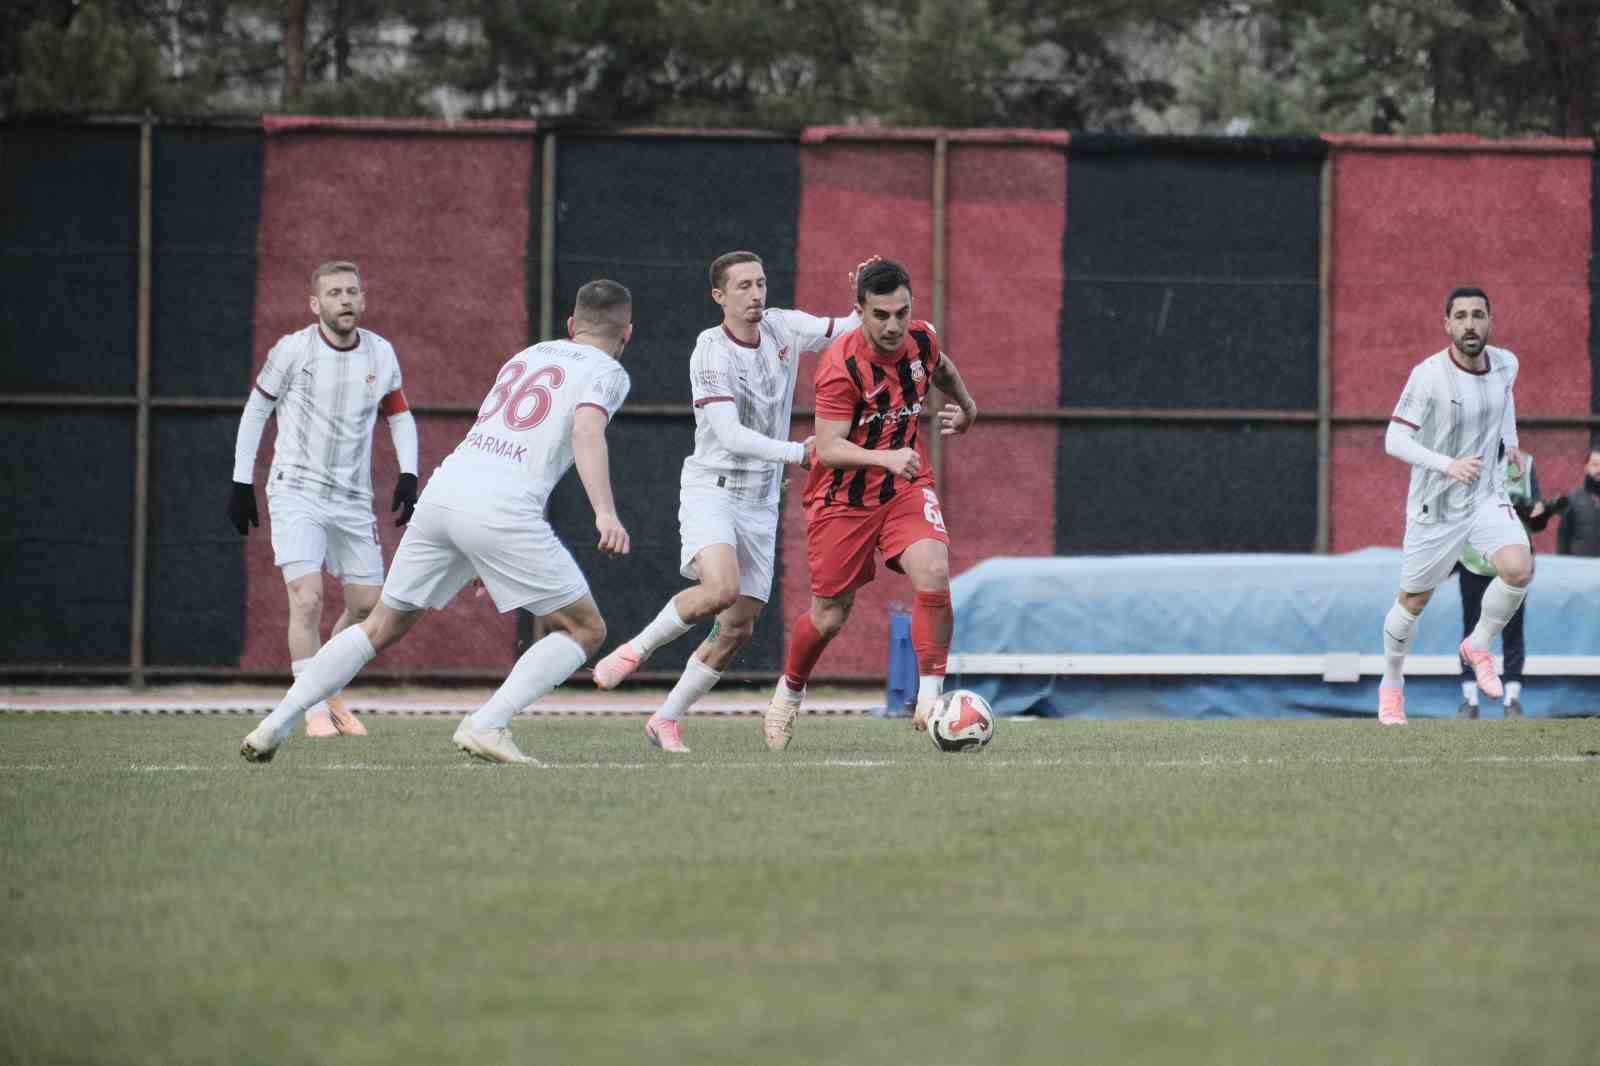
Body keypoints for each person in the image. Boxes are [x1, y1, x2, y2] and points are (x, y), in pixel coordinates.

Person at [240, 279, 635, 765]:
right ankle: (488, 723)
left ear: (571, 326)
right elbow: (586, 428)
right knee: (585, 630)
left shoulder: (528, 356)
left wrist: (483, 556)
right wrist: (605, 511)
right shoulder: (608, 371)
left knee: (380, 624)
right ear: (627, 334)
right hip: (501, 509)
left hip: (445, 493)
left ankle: (275, 723)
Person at [589, 251, 867, 754]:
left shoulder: (782, 327)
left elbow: (849, 327)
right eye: (743, 286)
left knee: (737, 628)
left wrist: (864, 291)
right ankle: (635, 650)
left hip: (761, 502)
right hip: (712, 489)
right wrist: (798, 452)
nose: (756, 294)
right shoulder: (709, 349)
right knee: (721, 589)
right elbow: (728, 433)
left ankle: (666, 719)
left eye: (761, 283)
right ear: (719, 296)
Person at [762, 259, 978, 751]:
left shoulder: (922, 339)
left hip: (904, 484)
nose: (892, 325)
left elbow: (942, 367)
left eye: (901, 312)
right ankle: (787, 694)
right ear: (859, 311)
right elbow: (829, 445)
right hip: (843, 498)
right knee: (830, 616)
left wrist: (967, 407)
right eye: (880, 315)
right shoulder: (841, 365)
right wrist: (884, 457)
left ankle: (931, 699)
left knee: (935, 571)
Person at [228, 260, 418, 739]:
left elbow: (398, 415)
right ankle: (310, 711)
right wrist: (240, 481)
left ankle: (327, 688)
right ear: (316, 305)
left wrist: (409, 474)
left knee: (367, 606)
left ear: (364, 299)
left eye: (353, 291)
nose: (345, 300)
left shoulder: (381, 353)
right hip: (296, 490)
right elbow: (256, 410)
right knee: (308, 598)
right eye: (334, 293)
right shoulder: (293, 351)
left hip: (353, 498)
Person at [1377, 286, 1533, 725]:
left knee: (1519, 568)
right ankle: (1391, 684)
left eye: (1478, 315)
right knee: (1412, 601)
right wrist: (1448, 465)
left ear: (1489, 321)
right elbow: (1394, 440)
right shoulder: (1428, 376)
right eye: (1460, 316)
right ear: (1446, 325)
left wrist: (1512, 442)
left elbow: (1505, 397)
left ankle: (1478, 643)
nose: (1470, 324)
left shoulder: (1507, 363)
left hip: (1485, 496)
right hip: (1435, 506)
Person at [1454, 448, 1561, 718]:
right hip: (1475, 559)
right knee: (1471, 627)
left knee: (1513, 629)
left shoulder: (1524, 462)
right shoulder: (1468, 458)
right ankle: (1470, 699)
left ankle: (1511, 698)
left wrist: (1538, 510)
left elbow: (1536, 519)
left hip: (1513, 563)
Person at [1555, 447, 1600, 557]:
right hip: (1580, 567)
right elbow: (1563, 537)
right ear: (1586, 467)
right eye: (1595, 464)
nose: (1599, 469)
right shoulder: (1572, 499)